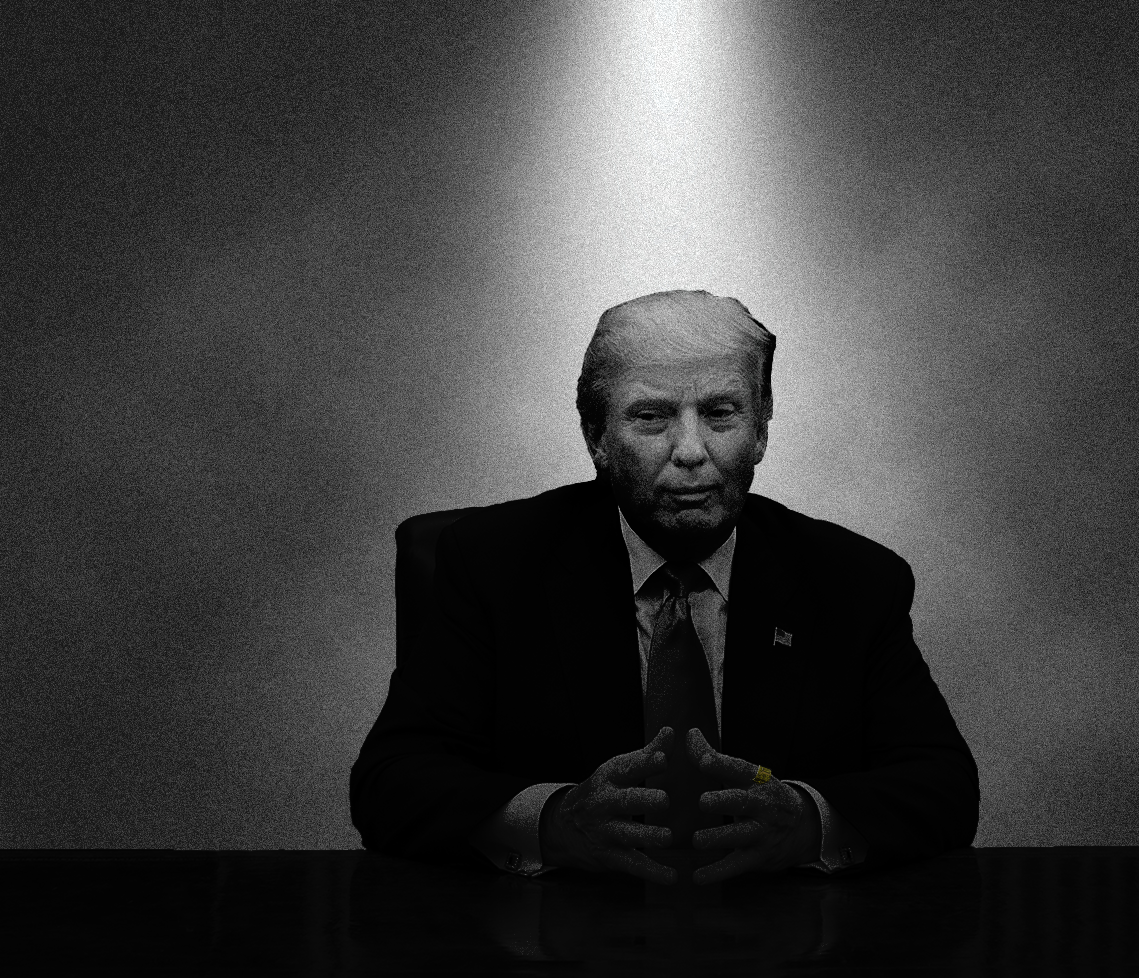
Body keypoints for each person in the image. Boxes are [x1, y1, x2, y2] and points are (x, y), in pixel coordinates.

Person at [351, 289, 977, 885]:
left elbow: (943, 786)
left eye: (720, 413)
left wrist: (809, 822)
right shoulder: (492, 564)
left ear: (760, 430)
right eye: (650, 417)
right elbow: (392, 784)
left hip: (787, 959)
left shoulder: (854, 581)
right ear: (597, 438)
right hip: (555, 957)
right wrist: (555, 823)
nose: (690, 451)